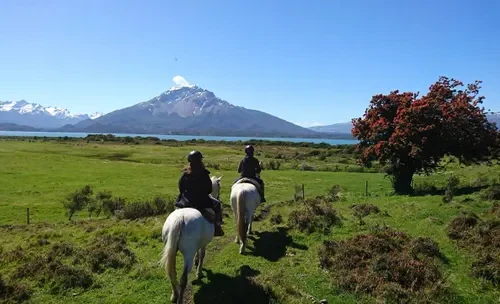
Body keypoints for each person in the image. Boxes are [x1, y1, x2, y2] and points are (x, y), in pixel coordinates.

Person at [176, 150, 224, 237]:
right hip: (202, 201)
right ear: (200, 161)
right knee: (217, 204)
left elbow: (181, 187)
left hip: (186, 201)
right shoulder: (204, 173)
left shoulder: (185, 173)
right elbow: (209, 189)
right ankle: (217, 227)